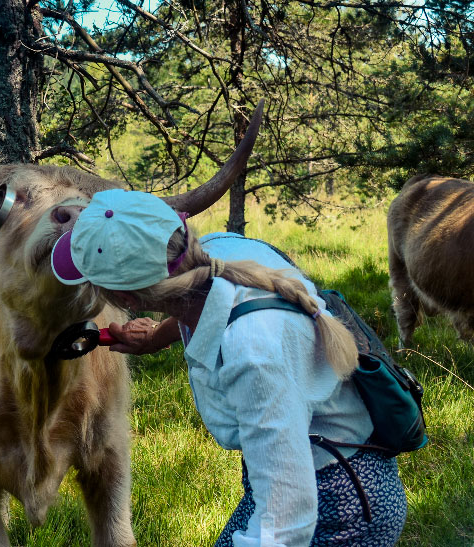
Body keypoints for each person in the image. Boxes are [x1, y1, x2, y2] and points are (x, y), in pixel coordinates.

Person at [50, 189, 407, 546]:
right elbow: (206, 301)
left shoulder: (254, 355)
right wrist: (158, 336)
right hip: (298, 471)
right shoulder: (216, 253)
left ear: (125, 299)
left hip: (342, 503)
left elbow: (285, 522)